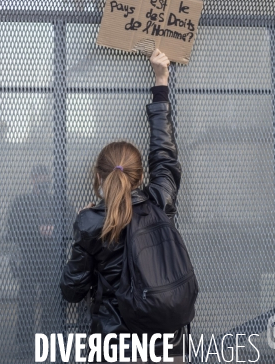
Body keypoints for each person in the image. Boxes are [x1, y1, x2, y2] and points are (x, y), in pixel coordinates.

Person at [60, 49, 185, 363]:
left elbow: (71, 291)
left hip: (113, 348)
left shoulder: (90, 223)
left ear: (98, 177)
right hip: (167, 345)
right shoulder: (160, 202)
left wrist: (81, 232)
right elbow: (164, 153)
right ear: (142, 175)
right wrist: (161, 79)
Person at [6, 164, 76, 360]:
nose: (42, 181)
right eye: (38, 177)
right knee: (26, 301)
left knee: (50, 300)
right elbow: (11, 230)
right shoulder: (21, 201)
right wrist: (35, 230)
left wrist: (55, 231)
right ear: (32, 179)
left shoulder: (58, 201)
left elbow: (73, 226)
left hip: (52, 260)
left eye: (45, 178)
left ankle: (47, 341)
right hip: (28, 258)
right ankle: (25, 343)